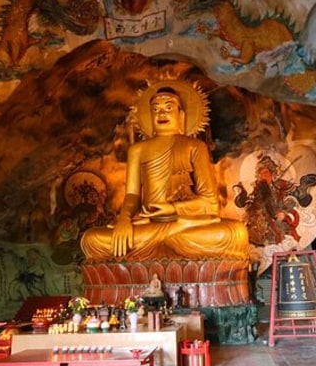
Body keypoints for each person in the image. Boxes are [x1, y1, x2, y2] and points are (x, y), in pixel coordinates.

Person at [80, 81, 249, 262]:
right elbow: (131, 195)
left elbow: (210, 203)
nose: (161, 113)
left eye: (168, 107)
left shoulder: (195, 147)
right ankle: (168, 243)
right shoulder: (138, 150)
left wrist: (172, 209)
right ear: (149, 116)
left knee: (234, 233)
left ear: (181, 115)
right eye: (155, 109)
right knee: (92, 239)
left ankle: (166, 241)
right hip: (149, 227)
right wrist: (123, 221)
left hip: (185, 224)